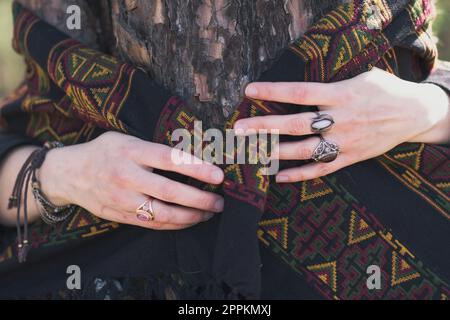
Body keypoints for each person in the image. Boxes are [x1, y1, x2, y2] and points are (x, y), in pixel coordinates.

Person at [0, 0, 448, 299]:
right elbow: (40, 107)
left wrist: (430, 108)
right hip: (127, 265)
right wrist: (61, 174)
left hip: (396, 229)